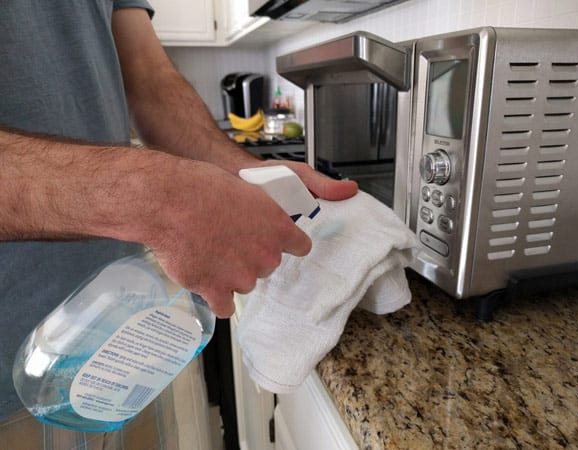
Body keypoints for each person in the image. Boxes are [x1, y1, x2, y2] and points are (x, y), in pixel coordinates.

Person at [0, 1, 357, 445]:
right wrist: (148, 194)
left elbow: (150, 79)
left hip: (139, 337)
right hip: (20, 383)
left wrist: (243, 174)